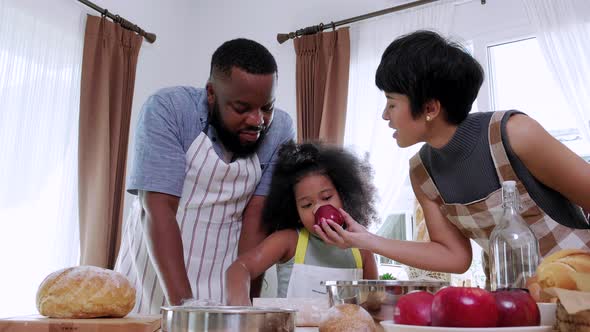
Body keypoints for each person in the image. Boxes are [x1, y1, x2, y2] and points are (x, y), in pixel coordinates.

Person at [314, 30, 590, 285]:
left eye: (392, 103)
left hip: (579, 291)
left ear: (430, 108)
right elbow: (454, 257)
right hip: (516, 301)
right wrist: (366, 240)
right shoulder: (422, 172)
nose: (385, 115)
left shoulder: (514, 133)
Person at [114, 38, 295, 314]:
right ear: (211, 93)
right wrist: (187, 313)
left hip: (223, 282)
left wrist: (244, 307)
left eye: (266, 107)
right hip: (152, 276)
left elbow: (257, 215)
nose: (257, 121)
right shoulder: (169, 110)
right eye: (242, 108)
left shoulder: (280, 128)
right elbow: (158, 210)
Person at [225, 142, 379, 305]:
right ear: (295, 211)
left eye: (326, 197)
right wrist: (241, 304)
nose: (317, 209)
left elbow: (373, 305)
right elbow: (241, 267)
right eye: (306, 205)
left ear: (344, 196)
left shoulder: (362, 251)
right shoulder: (288, 241)